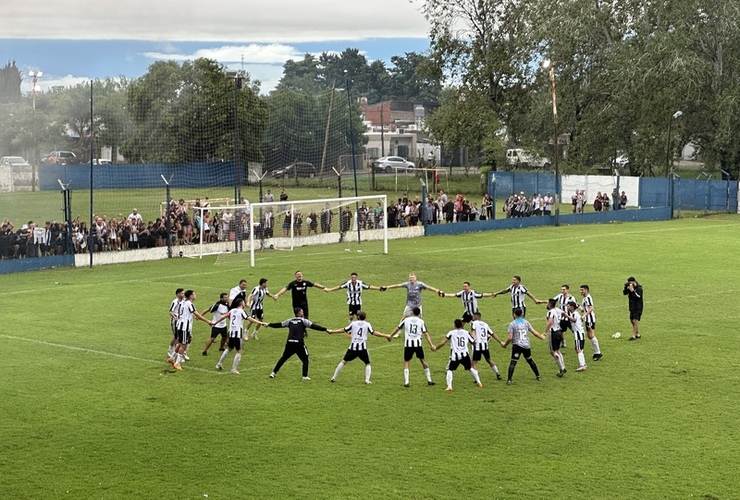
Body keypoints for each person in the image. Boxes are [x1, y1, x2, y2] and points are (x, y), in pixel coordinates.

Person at [327, 311, 392, 384]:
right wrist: (386, 335)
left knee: (344, 361)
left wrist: (332, 331)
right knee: (367, 363)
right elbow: (374, 333)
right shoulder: (367, 324)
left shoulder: (353, 323)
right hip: (362, 349)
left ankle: (334, 377)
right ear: (365, 317)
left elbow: (343, 330)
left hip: (352, 348)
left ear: (358, 317)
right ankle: (367, 380)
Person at [266, 307, 330, 380]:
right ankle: (304, 376)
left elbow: (279, 325)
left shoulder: (290, 320)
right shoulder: (303, 321)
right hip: (299, 344)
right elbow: (313, 326)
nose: (303, 312)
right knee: (305, 360)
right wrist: (325, 329)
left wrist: (269, 324)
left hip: (290, 343)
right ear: (299, 313)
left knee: (283, 358)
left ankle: (273, 373)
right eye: (302, 311)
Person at [212, 298, 264, 374]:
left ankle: (219, 363)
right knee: (239, 351)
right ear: (241, 303)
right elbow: (249, 318)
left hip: (230, 332)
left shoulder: (232, 310)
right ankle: (234, 369)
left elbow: (223, 317)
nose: (244, 303)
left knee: (229, 348)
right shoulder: (241, 311)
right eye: (243, 302)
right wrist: (260, 323)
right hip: (237, 333)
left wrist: (215, 323)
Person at [388, 307, 436, 387]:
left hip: (408, 344)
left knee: (407, 362)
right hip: (418, 344)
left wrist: (390, 335)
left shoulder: (406, 320)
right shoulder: (421, 321)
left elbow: (398, 328)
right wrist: (431, 344)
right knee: (423, 360)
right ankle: (429, 380)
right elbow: (426, 334)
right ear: (419, 313)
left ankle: (406, 382)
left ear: (412, 312)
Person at [167, 290, 212, 371]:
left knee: (180, 343)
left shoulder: (183, 302)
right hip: (184, 327)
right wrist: (207, 321)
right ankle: (177, 363)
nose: (195, 295)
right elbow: (196, 314)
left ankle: (171, 358)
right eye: (194, 294)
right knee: (183, 345)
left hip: (179, 325)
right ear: (190, 296)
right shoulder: (189, 304)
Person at [434, 318, 482, 391]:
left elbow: (443, 342)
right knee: (470, 368)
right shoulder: (466, 332)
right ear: (461, 325)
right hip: (465, 354)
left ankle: (449, 386)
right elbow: (473, 342)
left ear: (454, 325)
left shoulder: (451, 333)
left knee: (450, 370)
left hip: (455, 356)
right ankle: (479, 382)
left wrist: (436, 348)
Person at [501, 307, 545, 384]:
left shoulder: (512, 324)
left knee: (513, 362)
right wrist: (542, 337)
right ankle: (538, 376)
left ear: (514, 314)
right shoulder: (526, 322)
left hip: (517, 345)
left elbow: (510, 338)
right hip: (526, 345)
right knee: (530, 360)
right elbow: (535, 333)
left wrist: (505, 344)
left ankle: (509, 380)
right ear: (521, 314)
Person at [469, 311, 504, 380]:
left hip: (477, 346)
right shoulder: (485, 324)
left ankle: (477, 379)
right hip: (485, 346)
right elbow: (492, 334)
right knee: (489, 360)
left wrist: (471, 340)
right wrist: (500, 342)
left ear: (475, 317)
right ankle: (497, 373)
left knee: (474, 362)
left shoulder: (473, 323)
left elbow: (473, 332)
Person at [562, 301, 588, 371]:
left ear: (572, 307)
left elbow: (574, 320)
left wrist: (566, 316)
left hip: (578, 334)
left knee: (578, 349)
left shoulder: (575, 314)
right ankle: (583, 364)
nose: (567, 307)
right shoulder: (575, 313)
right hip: (580, 333)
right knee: (579, 350)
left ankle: (582, 365)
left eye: (568, 306)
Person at [545, 298, 567, 377]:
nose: (546, 304)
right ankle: (563, 366)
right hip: (559, 331)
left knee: (552, 351)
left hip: (553, 333)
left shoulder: (550, 312)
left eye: (547, 303)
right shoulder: (557, 310)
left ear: (550, 304)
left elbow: (550, 322)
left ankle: (561, 368)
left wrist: (545, 332)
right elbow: (564, 313)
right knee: (557, 350)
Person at [579, 285, 602, 360]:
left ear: (586, 290)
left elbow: (591, 308)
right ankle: (596, 352)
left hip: (590, 319)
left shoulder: (588, 297)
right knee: (589, 336)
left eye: (582, 290)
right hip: (587, 319)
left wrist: (584, 315)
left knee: (591, 335)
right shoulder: (585, 298)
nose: (581, 291)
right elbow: (584, 309)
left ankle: (598, 353)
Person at [167, 288, 185, 359]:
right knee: (176, 337)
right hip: (175, 321)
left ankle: (178, 352)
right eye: (182, 293)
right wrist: (174, 317)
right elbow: (170, 311)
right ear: (178, 294)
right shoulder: (175, 302)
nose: (183, 295)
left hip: (181, 320)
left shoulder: (184, 301)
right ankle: (171, 350)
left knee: (179, 337)